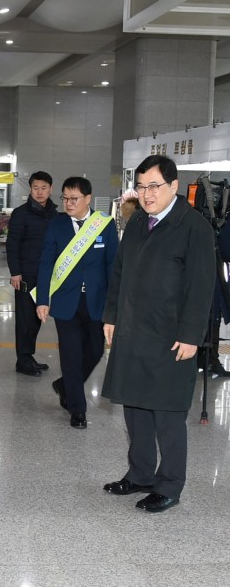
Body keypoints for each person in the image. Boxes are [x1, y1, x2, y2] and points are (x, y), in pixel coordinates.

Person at [101, 155, 216, 513]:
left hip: (171, 336)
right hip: (134, 331)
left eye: (154, 186)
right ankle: (140, 475)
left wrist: (191, 335)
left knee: (167, 413)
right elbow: (120, 273)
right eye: (141, 186)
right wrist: (112, 316)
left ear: (173, 186)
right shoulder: (138, 224)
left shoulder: (193, 227)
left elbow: (201, 286)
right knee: (135, 409)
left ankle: (169, 485)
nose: (147, 194)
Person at [36, 177, 117, 429]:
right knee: (71, 355)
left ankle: (64, 385)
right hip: (65, 302)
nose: (68, 203)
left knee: (94, 351)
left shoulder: (104, 224)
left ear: (88, 199)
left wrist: (114, 306)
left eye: (74, 199)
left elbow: (113, 266)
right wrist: (42, 300)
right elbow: (46, 262)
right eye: (65, 198)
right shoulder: (56, 225)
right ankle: (77, 410)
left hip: (96, 302)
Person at [6, 171, 57, 376]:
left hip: (46, 275)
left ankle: (29, 355)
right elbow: (12, 244)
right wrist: (15, 272)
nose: (39, 192)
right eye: (36, 188)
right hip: (26, 274)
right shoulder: (21, 213)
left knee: (37, 317)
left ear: (50, 189)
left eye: (44, 188)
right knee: (25, 317)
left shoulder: (54, 213)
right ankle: (23, 359)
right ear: (30, 189)